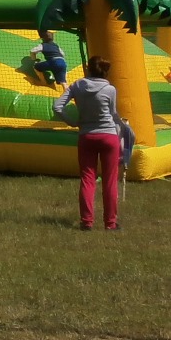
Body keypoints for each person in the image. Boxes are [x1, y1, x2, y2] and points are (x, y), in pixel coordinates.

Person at [54, 57, 123, 230]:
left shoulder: (77, 85)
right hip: (108, 137)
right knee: (110, 180)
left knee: (87, 179)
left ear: (87, 68)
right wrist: (122, 125)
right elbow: (113, 114)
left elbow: (57, 106)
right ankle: (110, 223)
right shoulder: (110, 89)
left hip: (86, 136)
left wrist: (72, 122)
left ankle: (87, 221)